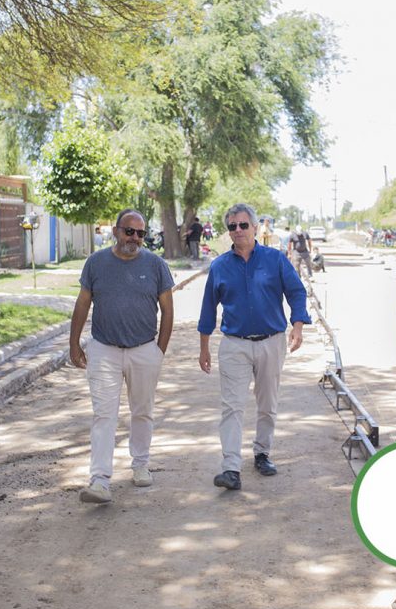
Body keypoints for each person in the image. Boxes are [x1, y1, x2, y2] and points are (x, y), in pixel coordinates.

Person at [198, 203, 311, 491]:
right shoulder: (220, 266)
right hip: (234, 345)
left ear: (255, 227)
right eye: (232, 227)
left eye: (243, 225)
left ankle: (262, 453)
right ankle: (231, 468)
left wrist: (297, 325)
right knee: (232, 407)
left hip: (271, 342)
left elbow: (296, 292)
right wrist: (204, 347)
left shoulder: (274, 260)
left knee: (267, 403)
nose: (237, 231)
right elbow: (208, 309)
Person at [69, 208, 175, 504]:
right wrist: (73, 343)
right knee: (104, 415)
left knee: (142, 411)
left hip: (144, 349)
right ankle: (100, 481)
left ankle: (140, 464)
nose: (135, 238)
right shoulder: (96, 263)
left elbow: (167, 310)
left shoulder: (156, 265)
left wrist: (158, 351)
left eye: (141, 233)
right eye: (129, 231)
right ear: (116, 231)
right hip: (104, 350)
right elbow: (82, 304)